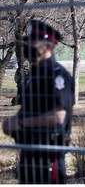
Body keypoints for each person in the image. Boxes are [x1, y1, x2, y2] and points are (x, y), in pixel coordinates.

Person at [2, 20, 74, 184]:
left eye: (34, 41)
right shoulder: (32, 76)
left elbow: (58, 117)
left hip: (48, 157)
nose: (29, 45)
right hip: (28, 156)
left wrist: (21, 123)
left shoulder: (57, 75)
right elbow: (28, 110)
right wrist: (11, 123)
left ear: (47, 46)